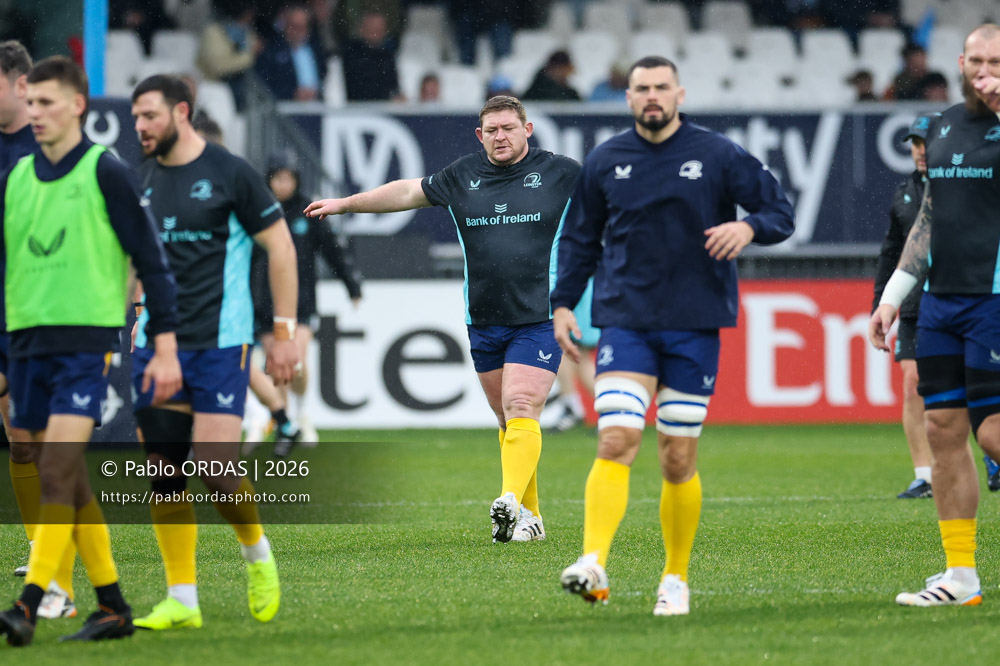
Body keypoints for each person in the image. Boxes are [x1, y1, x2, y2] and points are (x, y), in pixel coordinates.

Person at [553, 55, 794, 615]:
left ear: (680, 93)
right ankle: (593, 562)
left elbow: (779, 211)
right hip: (625, 321)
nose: (652, 96)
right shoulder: (606, 160)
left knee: (676, 459)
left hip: (693, 325)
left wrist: (749, 225)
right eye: (642, 88)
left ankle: (675, 578)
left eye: (662, 87)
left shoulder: (718, 154)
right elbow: (580, 239)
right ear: (628, 96)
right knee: (615, 439)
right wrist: (563, 302)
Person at [305, 95, 581, 543]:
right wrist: (347, 204)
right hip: (484, 318)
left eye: (509, 128)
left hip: (540, 316)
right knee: (508, 422)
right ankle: (530, 517)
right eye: (491, 130)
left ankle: (508, 499)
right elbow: (406, 191)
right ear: (480, 135)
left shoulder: (563, 173)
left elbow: (614, 201)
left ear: (527, 129)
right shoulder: (462, 175)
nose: (500, 137)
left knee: (521, 406)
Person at [0, 55, 182, 647]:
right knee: (63, 473)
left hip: (89, 344)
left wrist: (164, 343)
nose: (36, 114)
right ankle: (113, 605)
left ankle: (30, 603)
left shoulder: (106, 171)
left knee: (55, 467)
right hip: (27, 344)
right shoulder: (19, 176)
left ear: (78, 105)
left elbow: (152, 261)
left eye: (47, 103)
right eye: (31, 104)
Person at [128, 73, 298, 630]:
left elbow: (280, 247)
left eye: (149, 116)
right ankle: (183, 597)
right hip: (157, 345)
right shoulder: (140, 179)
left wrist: (284, 332)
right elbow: (132, 259)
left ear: (181, 112)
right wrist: (128, 316)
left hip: (221, 342)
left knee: (215, 467)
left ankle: (257, 554)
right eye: (135, 118)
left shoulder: (231, 174)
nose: (140, 127)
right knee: (163, 471)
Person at [868, 23, 1000, 607]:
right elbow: (927, 220)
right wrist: (894, 295)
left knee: (992, 430)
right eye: (977, 61)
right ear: (962, 61)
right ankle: (961, 577)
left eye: (995, 61)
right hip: (942, 302)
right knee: (944, 429)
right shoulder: (943, 127)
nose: (985, 72)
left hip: (995, 299)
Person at [0, 39, 81, 620]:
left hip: (39, 309)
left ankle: (48, 561)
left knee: (34, 442)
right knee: (22, 440)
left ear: (18, 83)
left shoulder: (50, 145)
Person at [252, 158, 362, 451]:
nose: (282, 185)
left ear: (297, 181)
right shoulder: (256, 212)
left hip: (301, 303)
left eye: (288, 179)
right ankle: (284, 426)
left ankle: (302, 414)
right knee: (277, 368)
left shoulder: (308, 213)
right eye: (277, 179)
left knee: (295, 364)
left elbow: (332, 253)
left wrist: (351, 285)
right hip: (263, 303)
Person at [872, 113, 936, 499]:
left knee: (972, 385)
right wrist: (882, 303)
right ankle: (924, 475)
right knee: (913, 385)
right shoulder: (904, 194)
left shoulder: (969, 186)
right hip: (915, 304)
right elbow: (892, 254)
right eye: (914, 144)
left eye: (926, 143)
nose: (920, 151)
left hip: (962, 296)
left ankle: (990, 454)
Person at [549, 278, 598, 433]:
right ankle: (609, 413)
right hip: (577, 290)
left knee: (568, 352)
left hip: (573, 292)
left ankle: (573, 406)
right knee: (576, 357)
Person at [254, 3, 326, 101]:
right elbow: (264, 85)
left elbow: (323, 76)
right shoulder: (271, 51)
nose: (298, 32)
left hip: (316, 108)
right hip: (285, 109)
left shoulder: (316, 49)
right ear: (286, 26)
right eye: (294, 26)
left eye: (302, 27)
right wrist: (292, 93)